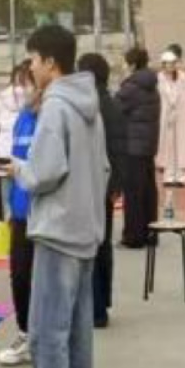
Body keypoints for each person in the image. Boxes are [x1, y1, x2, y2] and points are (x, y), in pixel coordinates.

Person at [11, 25, 110, 368]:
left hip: (57, 231)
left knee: (46, 332)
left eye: (33, 60)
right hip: (86, 229)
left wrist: (19, 169)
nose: (31, 67)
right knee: (76, 331)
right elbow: (103, 167)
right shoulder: (90, 106)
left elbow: (44, 172)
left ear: (50, 62)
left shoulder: (55, 106)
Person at [0, 81, 42, 368]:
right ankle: (25, 334)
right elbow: (16, 161)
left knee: (45, 281)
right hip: (22, 211)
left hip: (47, 215)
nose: (27, 88)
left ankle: (46, 339)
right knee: (20, 275)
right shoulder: (23, 117)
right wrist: (13, 206)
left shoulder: (55, 116)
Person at [79, 53, 123, 330]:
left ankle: (94, 308)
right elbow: (120, 148)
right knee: (104, 245)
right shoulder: (113, 104)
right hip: (107, 185)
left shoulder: (90, 107)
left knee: (90, 247)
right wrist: (117, 184)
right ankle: (103, 303)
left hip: (92, 184)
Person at [115, 47, 162, 247]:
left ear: (132, 65)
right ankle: (151, 232)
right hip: (148, 145)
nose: (123, 67)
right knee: (148, 190)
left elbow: (115, 110)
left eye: (125, 63)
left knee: (133, 192)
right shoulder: (152, 86)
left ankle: (133, 236)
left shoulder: (131, 88)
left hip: (132, 145)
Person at [0, 61, 34, 223]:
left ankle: (7, 225)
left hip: (4, 153)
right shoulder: (31, 100)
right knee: (24, 192)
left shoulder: (3, 98)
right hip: (23, 156)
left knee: (6, 195)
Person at [157, 49, 185, 188]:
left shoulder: (183, 77)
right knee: (167, 145)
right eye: (167, 63)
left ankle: (181, 177)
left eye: (172, 63)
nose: (169, 66)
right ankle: (168, 176)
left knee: (181, 145)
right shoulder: (159, 78)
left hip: (180, 117)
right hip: (165, 117)